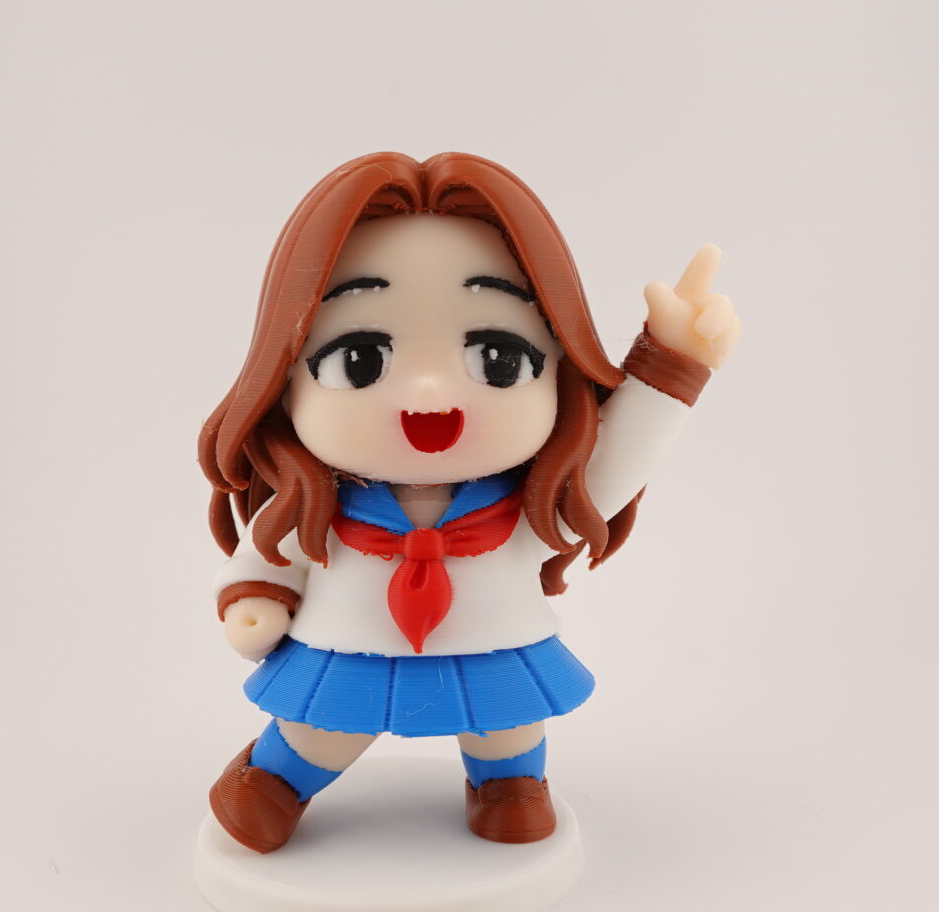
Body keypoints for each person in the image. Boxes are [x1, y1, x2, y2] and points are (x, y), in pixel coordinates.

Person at [198, 152, 739, 853]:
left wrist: (670, 363)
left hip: (494, 645)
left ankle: (509, 784)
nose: (430, 394)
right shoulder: (314, 506)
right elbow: (271, 553)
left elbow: (613, 470)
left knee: (506, 722)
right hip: (350, 646)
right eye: (359, 358)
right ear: (283, 379)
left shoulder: (532, 508)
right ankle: (275, 778)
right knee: (325, 726)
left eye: (498, 358)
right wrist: (255, 596)